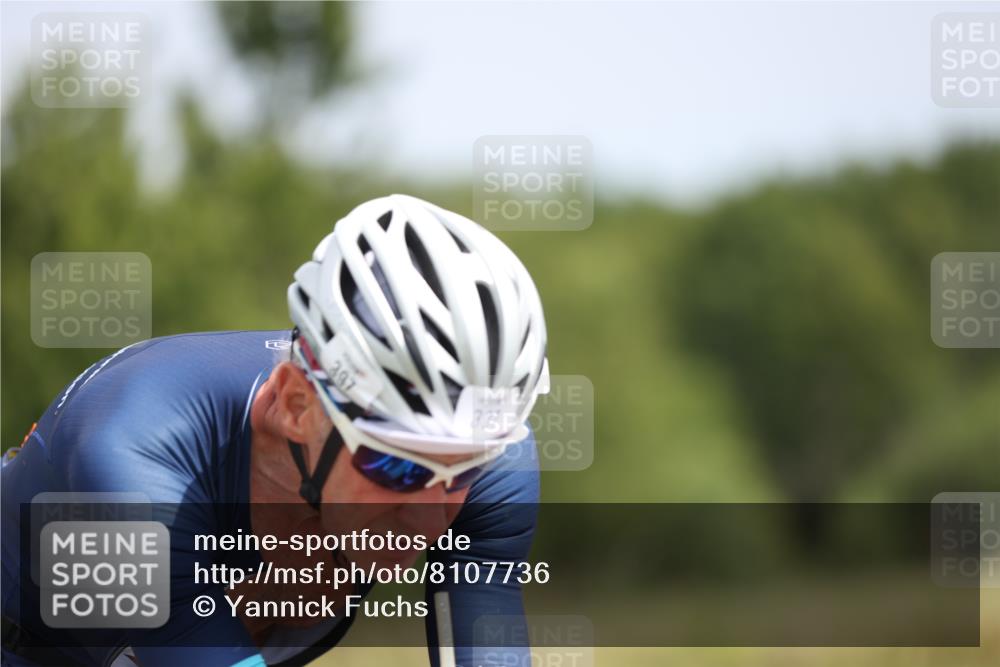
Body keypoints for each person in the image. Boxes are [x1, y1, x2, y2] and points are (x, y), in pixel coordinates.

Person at [1, 194, 549, 667]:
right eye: (397, 465)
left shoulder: (497, 465)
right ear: (296, 404)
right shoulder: (132, 453)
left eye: (466, 468)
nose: (430, 521)